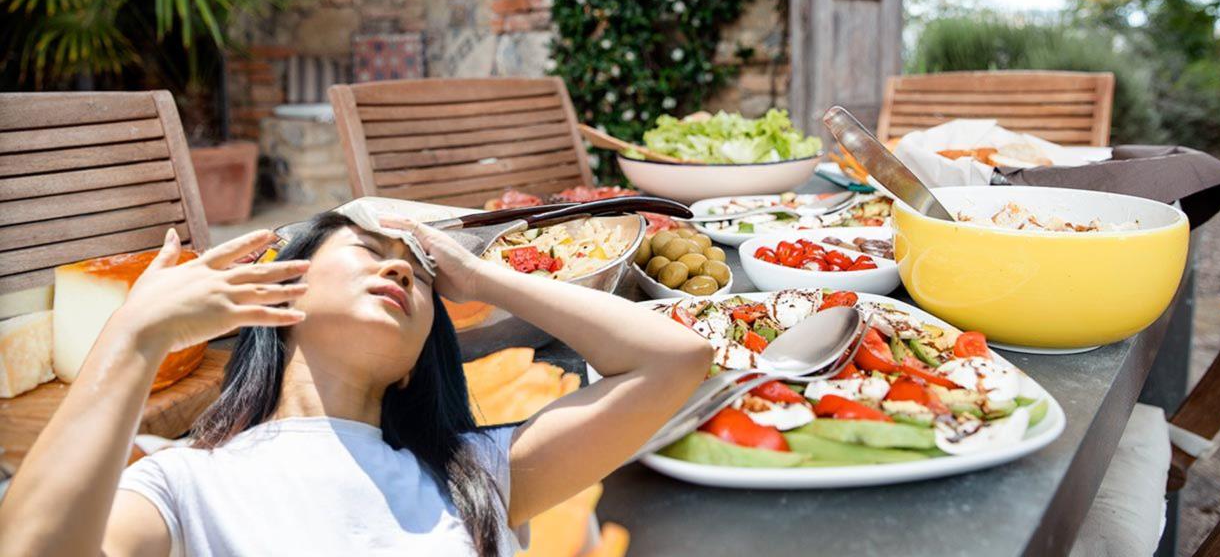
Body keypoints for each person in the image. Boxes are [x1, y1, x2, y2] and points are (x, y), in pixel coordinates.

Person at [0, 212, 712, 556]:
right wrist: (134, 336)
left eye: (421, 276)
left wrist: (484, 277)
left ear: (416, 363)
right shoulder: (181, 483)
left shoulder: (474, 473)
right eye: (369, 251)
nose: (402, 270)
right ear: (278, 296)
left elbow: (674, 361)